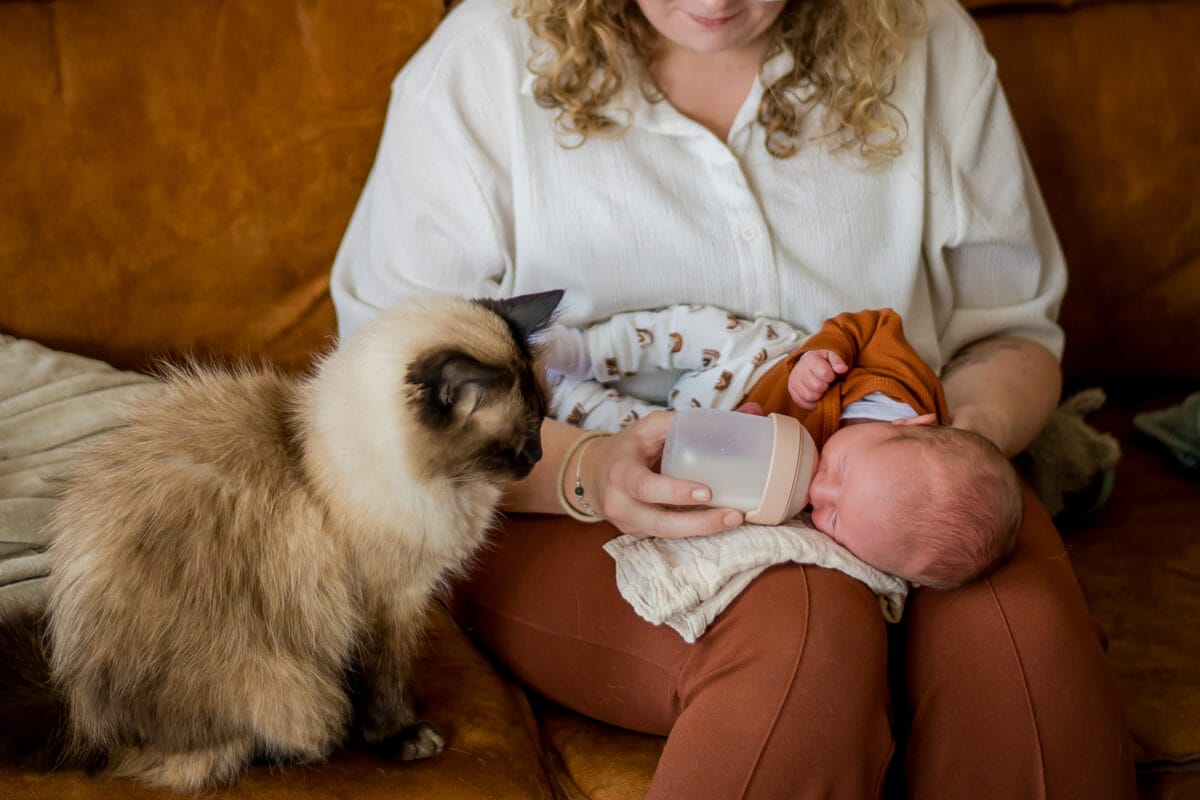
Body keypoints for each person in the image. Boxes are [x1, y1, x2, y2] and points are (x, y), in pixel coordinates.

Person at [330, 0, 1137, 796]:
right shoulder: (479, 64)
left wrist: (945, 448)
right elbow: (381, 409)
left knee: (1017, 646)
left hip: (892, 452)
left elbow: (1012, 333)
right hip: (564, 497)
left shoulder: (928, 39)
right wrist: (591, 472)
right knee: (806, 630)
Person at [543, 304, 1023, 589]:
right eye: (844, 466)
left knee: (633, 437)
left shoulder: (869, 522)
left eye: (833, 519)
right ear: (916, 424)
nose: (821, 490)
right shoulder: (898, 385)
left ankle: (556, 391)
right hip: (752, 362)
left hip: (717, 427)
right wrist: (823, 355)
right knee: (689, 329)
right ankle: (582, 352)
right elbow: (873, 324)